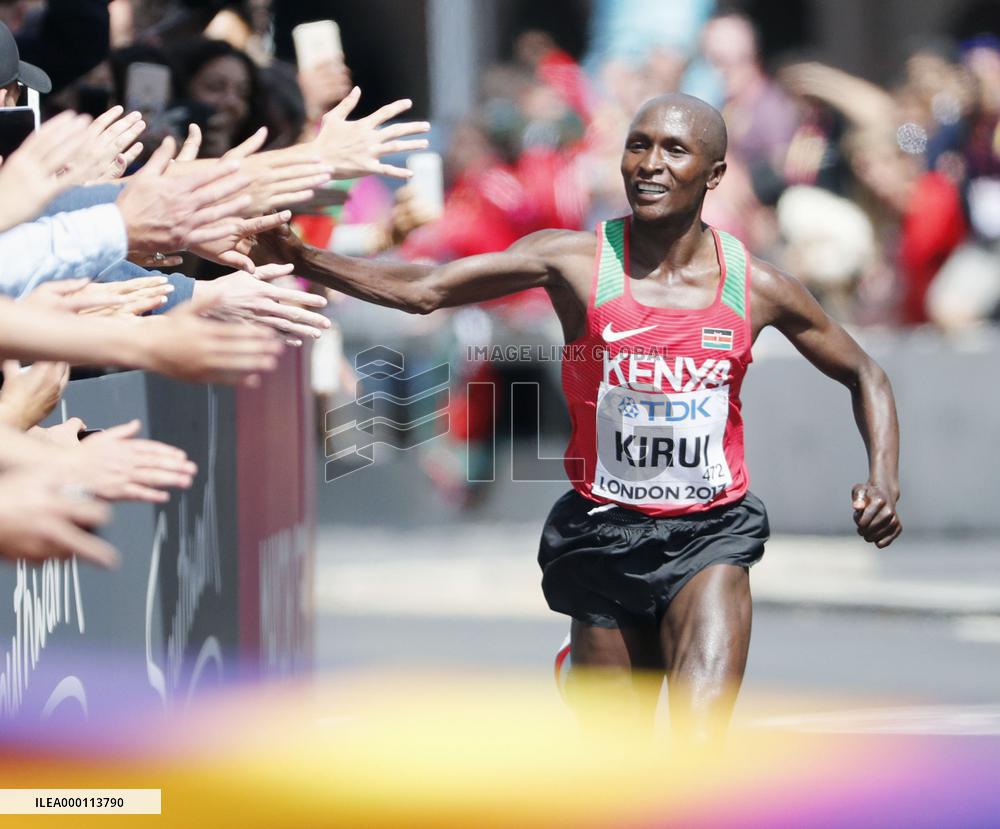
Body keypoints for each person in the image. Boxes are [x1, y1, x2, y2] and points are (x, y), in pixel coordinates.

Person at [250, 93, 902, 742]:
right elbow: (427, 291)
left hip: (710, 534)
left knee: (697, 751)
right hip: (604, 532)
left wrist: (883, 479)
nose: (649, 163)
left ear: (715, 173)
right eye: (638, 145)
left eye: (674, 149)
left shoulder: (756, 287)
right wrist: (304, 258)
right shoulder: (575, 262)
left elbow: (865, 373)